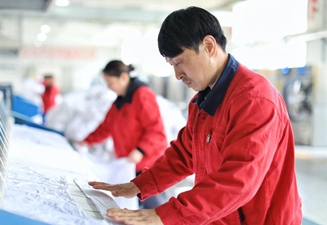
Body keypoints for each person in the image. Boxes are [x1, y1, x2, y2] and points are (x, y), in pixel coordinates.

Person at [88, 6, 302, 225]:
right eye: (172, 65)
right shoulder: (202, 102)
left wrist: (166, 215)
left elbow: (239, 180)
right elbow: (184, 154)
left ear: (208, 46)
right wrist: (139, 185)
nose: (178, 75)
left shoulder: (254, 99)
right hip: (219, 218)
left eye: (180, 62)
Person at [78, 60, 168, 209]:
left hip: (147, 166)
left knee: (155, 209)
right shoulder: (120, 101)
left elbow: (156, 131)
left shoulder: (142, 95)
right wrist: (86, 141)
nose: (109, 87)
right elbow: (106, 127)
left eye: (111, 82)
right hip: (130, 165)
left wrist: (140, 151)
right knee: (136, 208)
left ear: (124, 78)